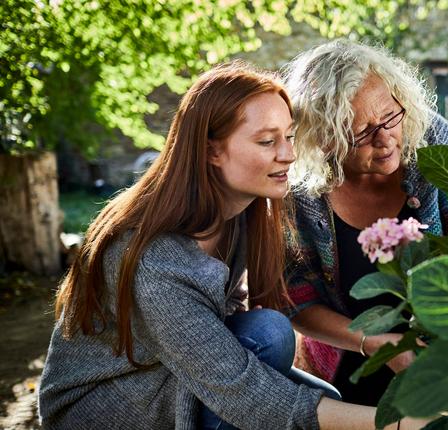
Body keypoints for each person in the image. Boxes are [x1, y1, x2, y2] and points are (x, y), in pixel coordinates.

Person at [37, 61, 426, 430]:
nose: (288, 154)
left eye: (289, 137)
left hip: (166, 372)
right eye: (266, 141)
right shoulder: (155, 258)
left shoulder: (244, 214)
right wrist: (399, 424)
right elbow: (243, 393)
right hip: (107, 406)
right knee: (273, 373)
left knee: (280, 344)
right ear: (212, 150)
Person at [282, 40, 448, 405]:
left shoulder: (433, 143)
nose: (385, 139)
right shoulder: (299, 195)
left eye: (389, 116)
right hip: (346, 366)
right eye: (361, 132)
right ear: (325, 141)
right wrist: (375, 343)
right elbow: (294, 300)